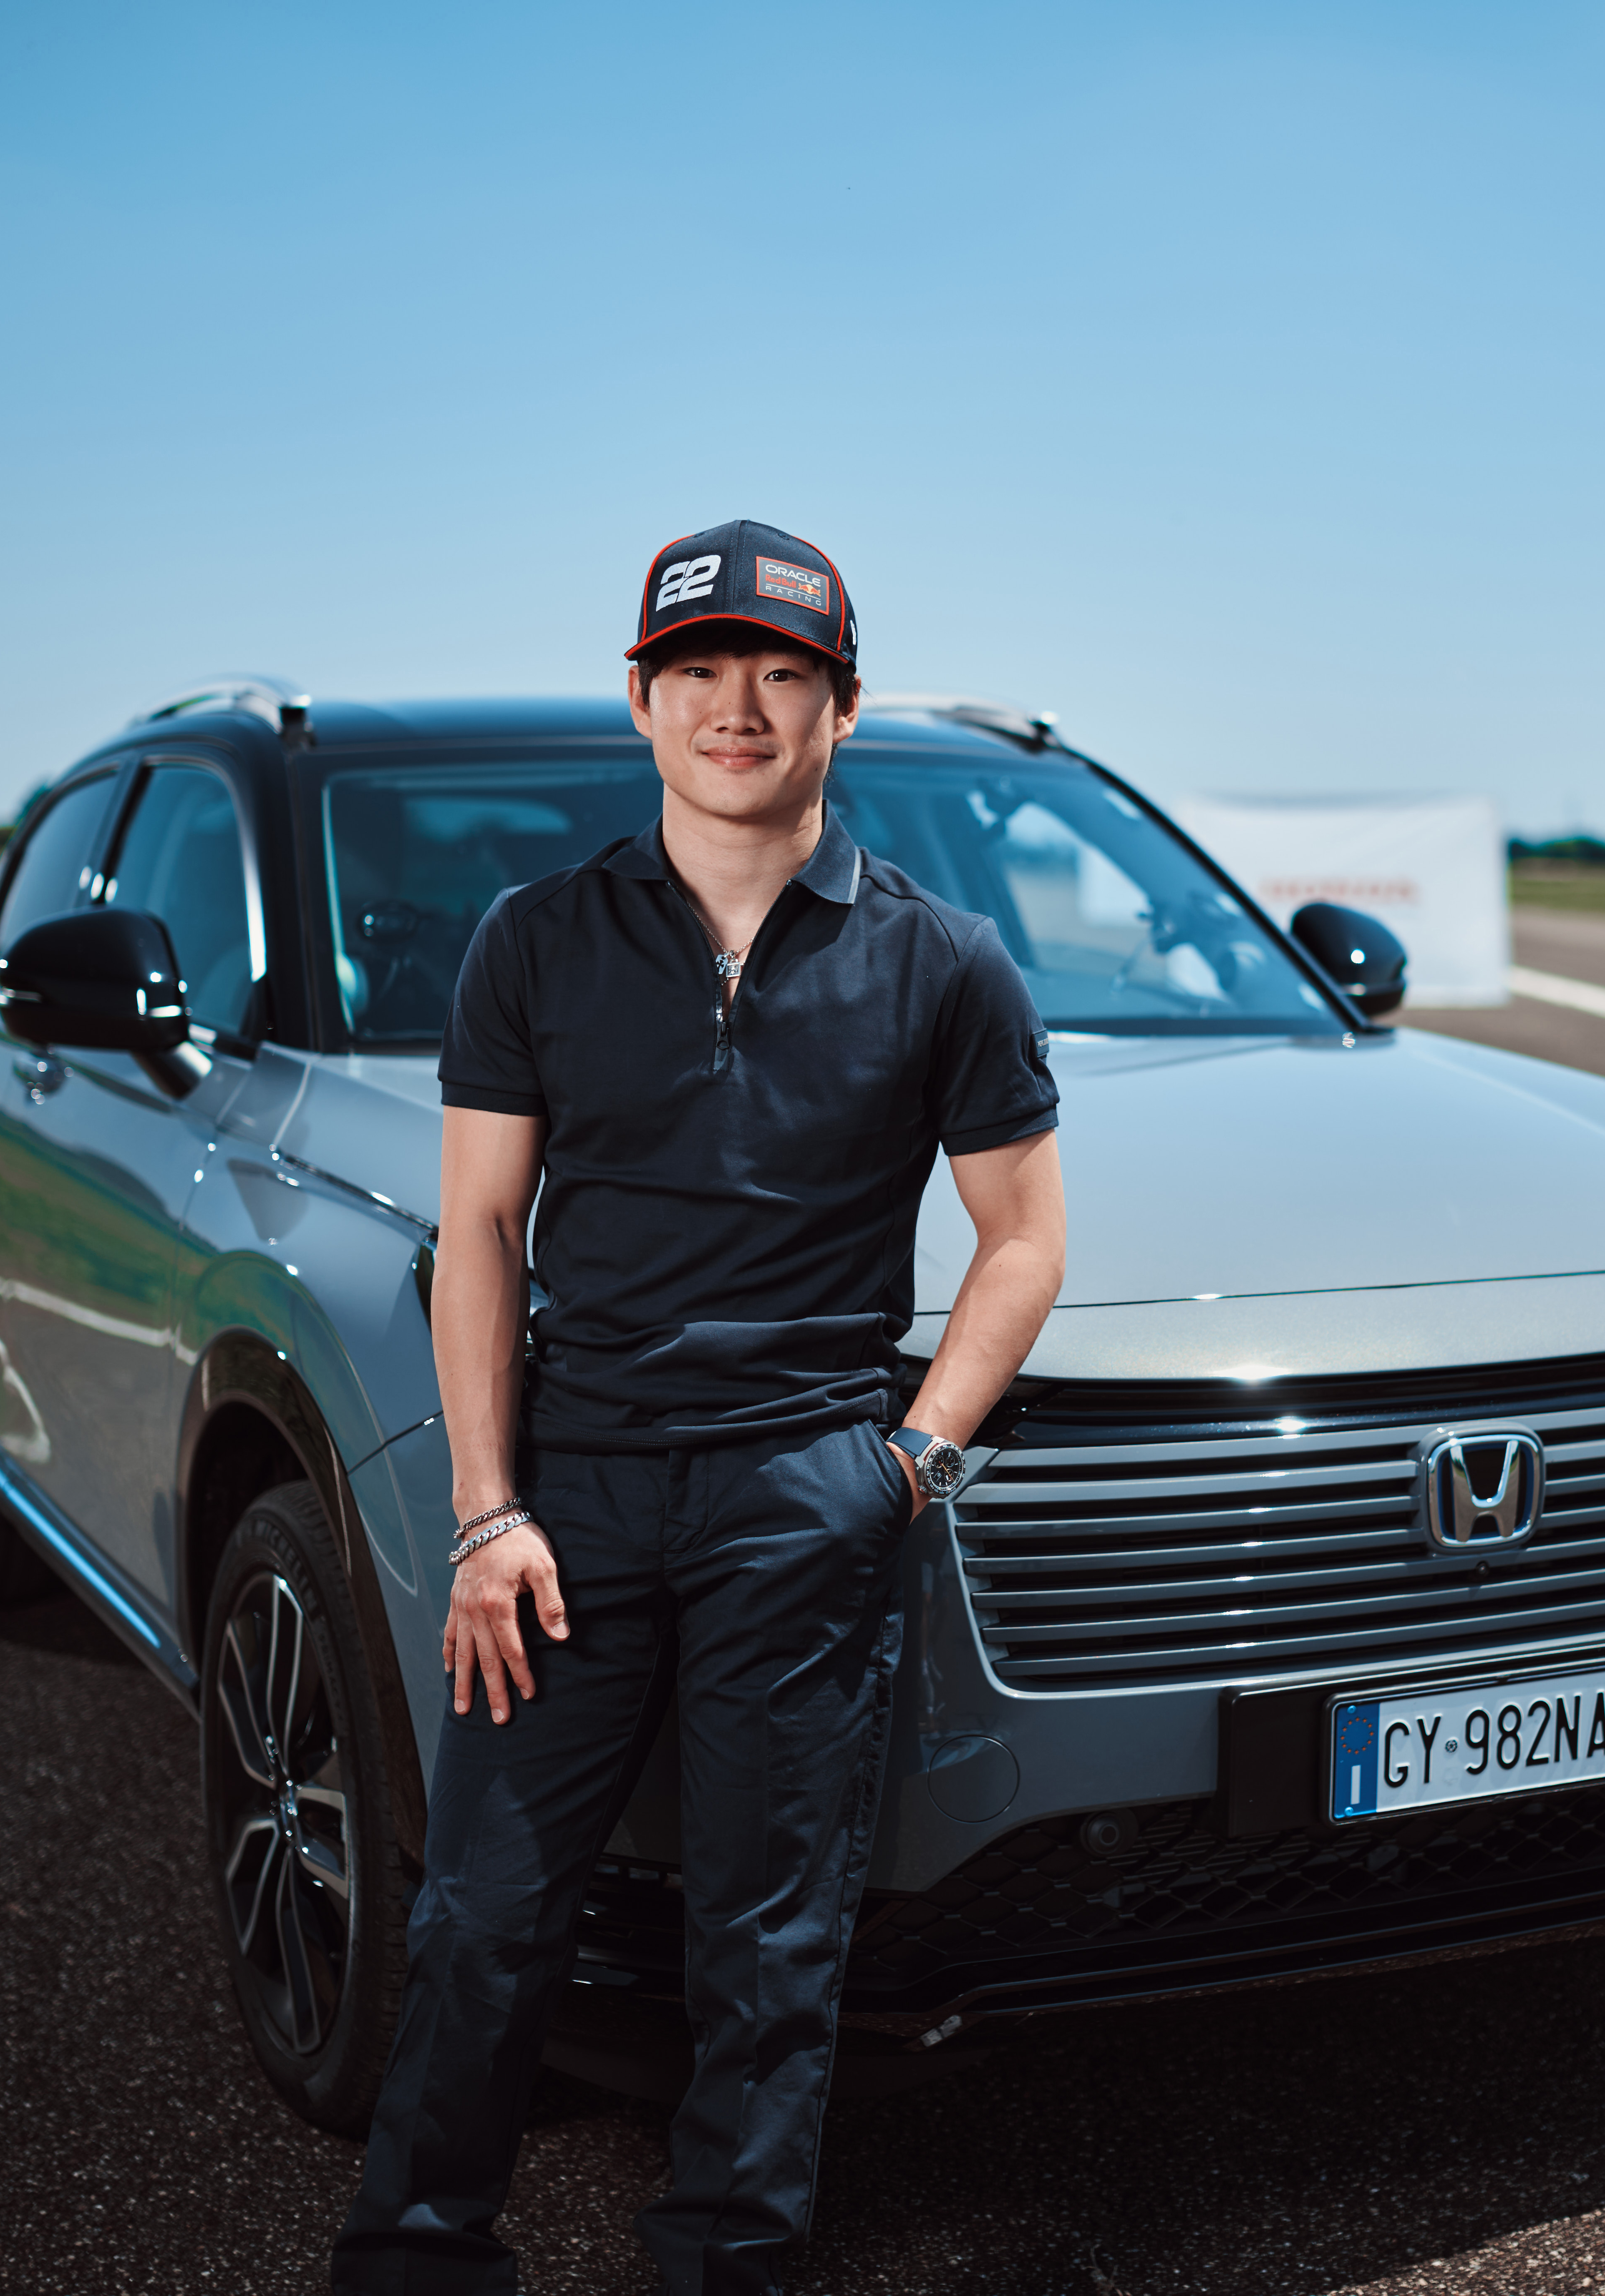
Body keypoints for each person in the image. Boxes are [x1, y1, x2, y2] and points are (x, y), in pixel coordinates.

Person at [332, 520, 1069, 2296]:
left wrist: (904, 1465)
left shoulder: (943, 961)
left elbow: (1024, 1240)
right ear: (646, 701)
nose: (739, 704)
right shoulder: (535, 941)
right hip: (569, 1500)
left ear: (842, 706)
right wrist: (488, 1512)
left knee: (769, 1939)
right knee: (485, 1910)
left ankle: (723, 2260)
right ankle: (417, 2252)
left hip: (803, 1493)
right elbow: (486, 1237)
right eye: (703, 670)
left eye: (782, 672)